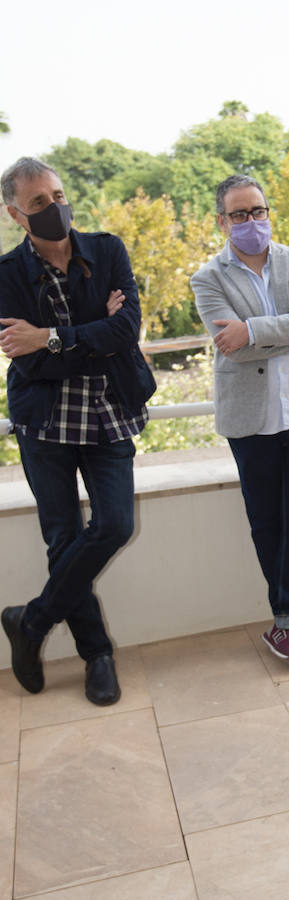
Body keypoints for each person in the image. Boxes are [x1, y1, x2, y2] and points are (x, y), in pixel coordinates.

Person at [0, 156, 156, 705]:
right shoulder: (6, 275)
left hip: (110, 412)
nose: (54, 208)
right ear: (17, 213)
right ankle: (97, 654)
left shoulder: (107, 250)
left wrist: (52, 337)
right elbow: (30, 362)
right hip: (44, 423)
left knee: (114, 524)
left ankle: (33, 620)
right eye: (39, 203)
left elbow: (126, 329)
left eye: (59, 195)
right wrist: (86, 335)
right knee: (63, 538)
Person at [191, 174, 289, 664]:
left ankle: (288, 621)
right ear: (222, 222)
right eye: (239, 214)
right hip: (250, 422)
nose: (251, 221)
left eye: (258, 211)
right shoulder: (207, 278)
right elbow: (231, 351)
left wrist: (255, 329)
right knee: (267, 524)